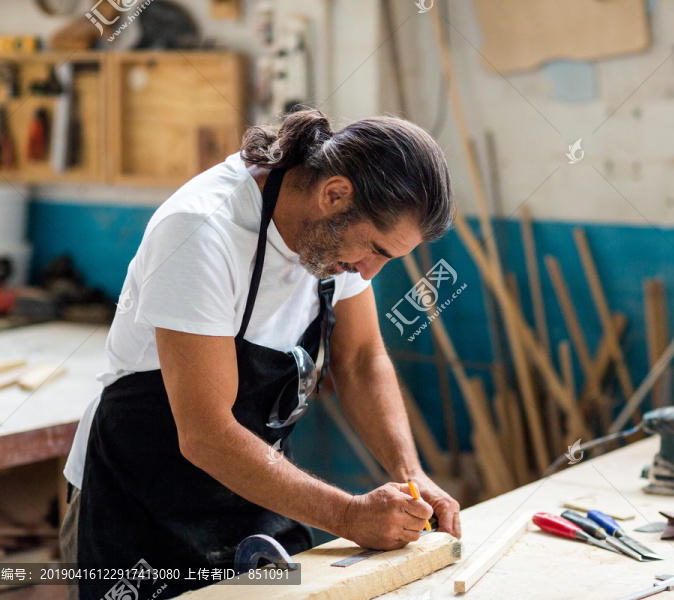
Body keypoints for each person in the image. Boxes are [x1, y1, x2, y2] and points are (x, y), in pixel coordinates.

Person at [59, 109, 460, 599]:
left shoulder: (337, 235)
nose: (368, 273)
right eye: (373, 250)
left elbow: (359, 361)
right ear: (335, 194)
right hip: (138, 503)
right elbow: (206, 435)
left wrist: (410, 473)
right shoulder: (201, 230)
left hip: (251, 494)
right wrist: (348, 515)